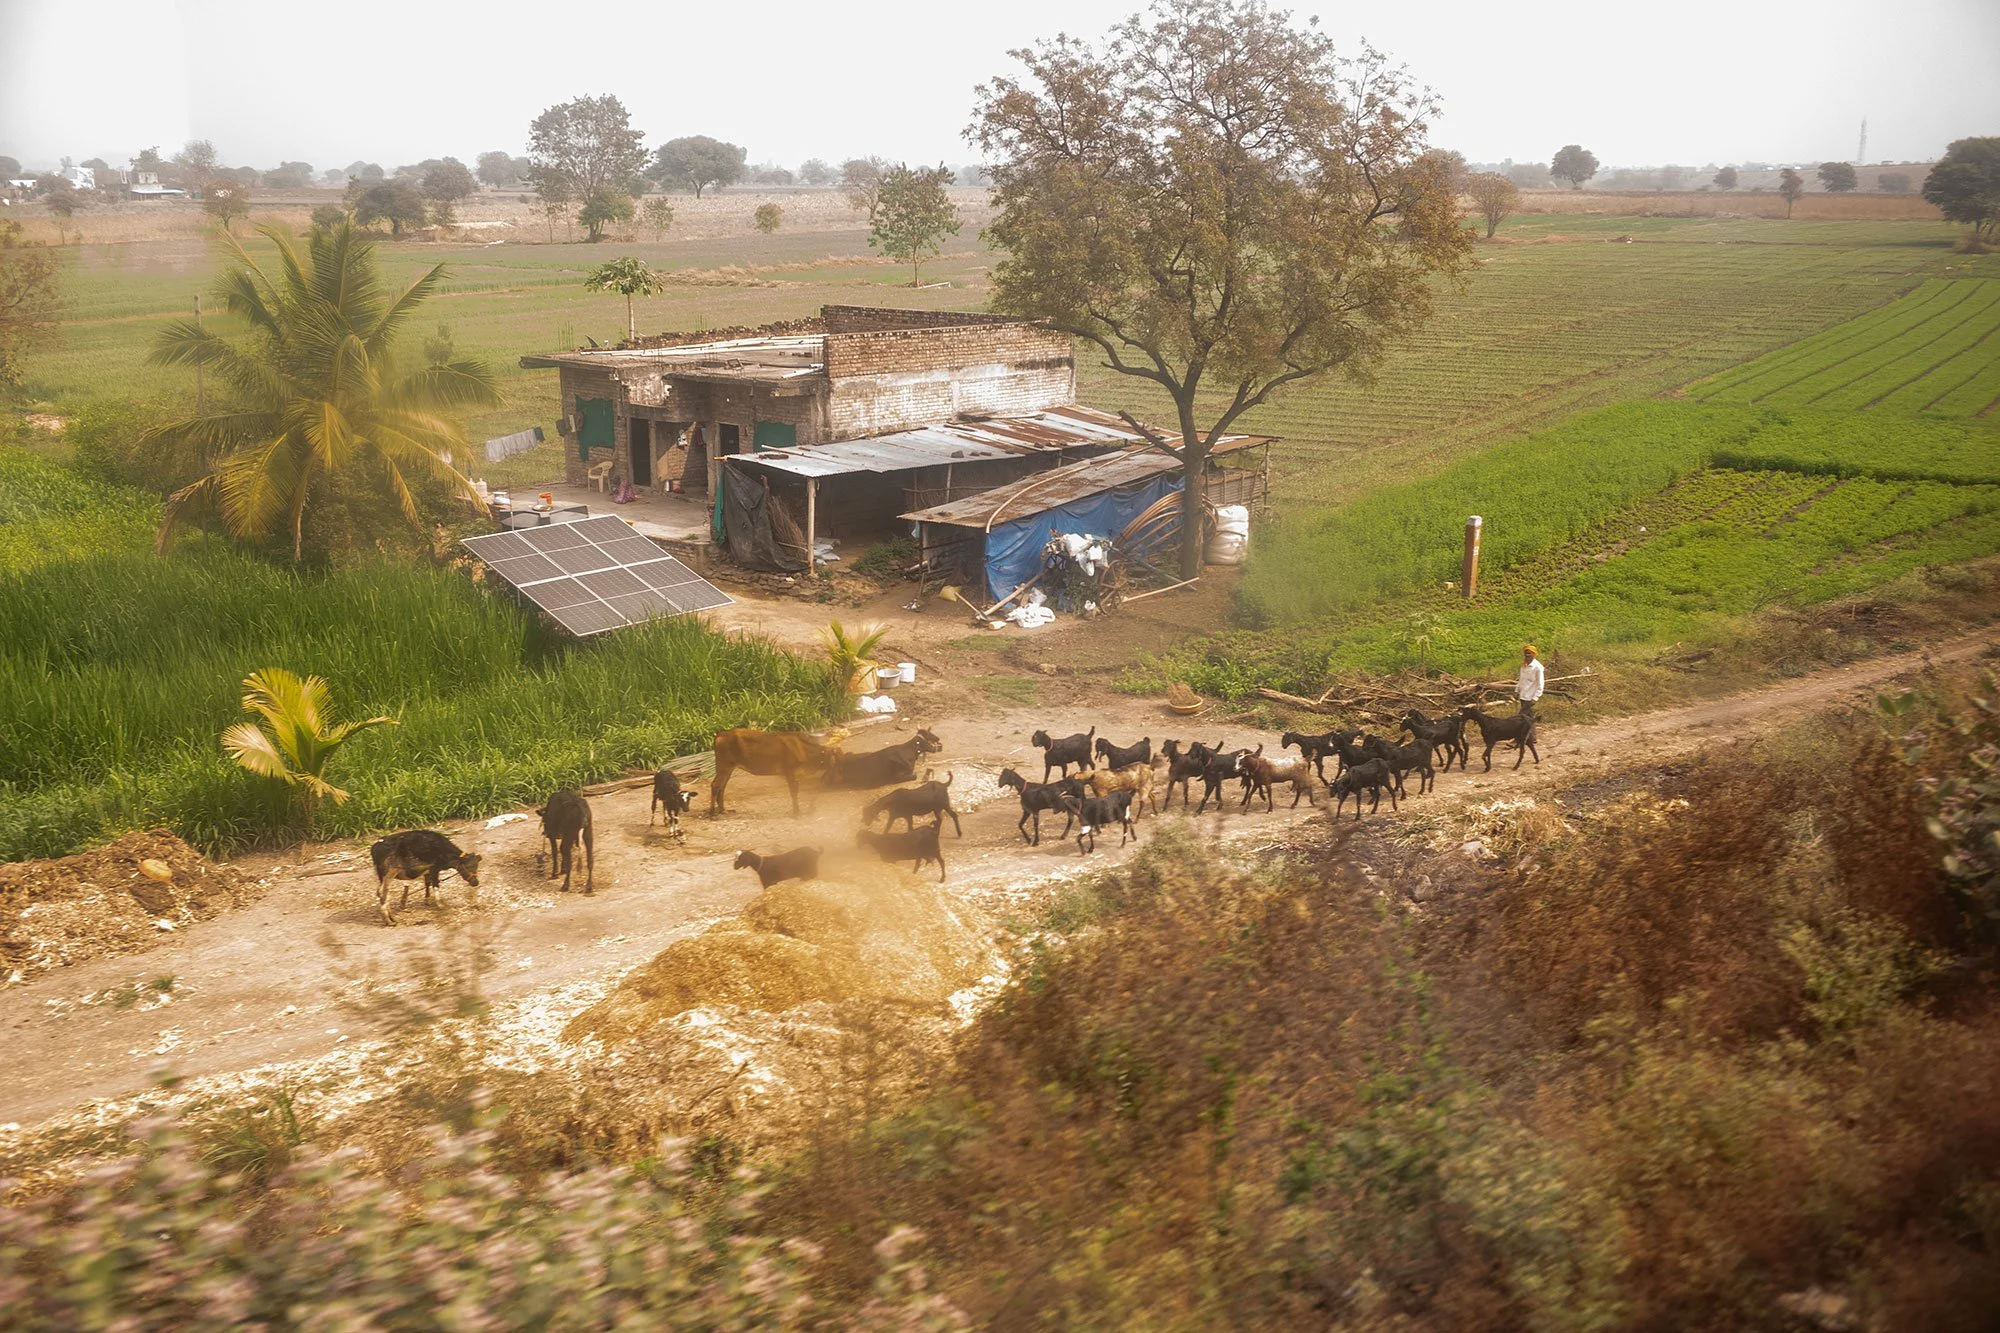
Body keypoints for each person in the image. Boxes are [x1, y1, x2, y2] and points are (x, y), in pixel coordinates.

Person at [1516, 643, 1545, 719]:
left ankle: (1521, 729)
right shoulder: (1524, 665)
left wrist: (1535, 697)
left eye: (1529, 653)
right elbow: (1521, 679)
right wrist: (1517, 690)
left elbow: (1540, 684)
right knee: (1528, 716)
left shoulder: (1537, 667)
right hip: (1523, 695)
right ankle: (1533, 724)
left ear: (1534, 654)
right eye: (1526, 653)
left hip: (1530, 696)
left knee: (1521, 716)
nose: (1527, 655)